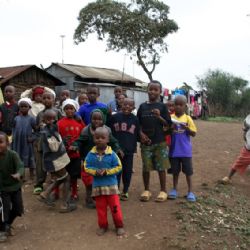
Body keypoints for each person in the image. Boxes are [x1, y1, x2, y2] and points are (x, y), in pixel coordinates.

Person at [74, 109, 122, 208]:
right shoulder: (86, 130)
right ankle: (89, 199)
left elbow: (113, 141)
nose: (97, 121)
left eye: (100, 119)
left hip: (103, 159)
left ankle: (102, 198)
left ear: (103, 120)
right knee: (88, 179)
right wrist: (75, 146)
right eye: (94, 119)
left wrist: (118, 149)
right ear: (90, 119)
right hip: (89, 158)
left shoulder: (107, 130)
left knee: (100, 179)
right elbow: (80, 141)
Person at [84, 127, 125, 236]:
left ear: (108, 139)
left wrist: (107, 172)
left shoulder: (112, 154)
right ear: (94, 139)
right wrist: (94, 172)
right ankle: (103, 226)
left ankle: (119, 225)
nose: (100, 140)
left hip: (111, 186)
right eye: (97, 137)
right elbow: (86, 167)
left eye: (103, 137)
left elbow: (119, 167)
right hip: (98, 187)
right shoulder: (90, 154)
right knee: (100, 208)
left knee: (115, 207)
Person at [137, 80, 172, 202]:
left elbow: (168, 124)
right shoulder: (142, 107)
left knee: (161, 167)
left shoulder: (162, 106)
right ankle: (146, 190)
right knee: (146, 167)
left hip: (160, 142)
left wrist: (159, 117)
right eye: (150, 89)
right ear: (147, 90)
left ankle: (163, 191)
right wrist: (141, 134)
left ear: (160, 92)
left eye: (155, 90)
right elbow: (138, 124)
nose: (152, 91)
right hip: (146, 143)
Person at [38, 109, 76, 213]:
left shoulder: (51, 129)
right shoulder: (47, 132)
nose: (52, 121)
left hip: (55, 160)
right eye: (49, 119)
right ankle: (64, 204)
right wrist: (61, 140)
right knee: (66, 178)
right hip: (54, 161)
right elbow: (54, 147)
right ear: (44, 120)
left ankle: (45, 194)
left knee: (62, 178)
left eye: (54, 118)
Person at [109, 98, 140, 200]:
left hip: (129, 150)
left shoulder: (135, 119)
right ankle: (116, 189)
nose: (127, 106)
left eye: (130, 105)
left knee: (127, 171)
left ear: (133, 108)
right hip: (116, 150)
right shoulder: (114, 117)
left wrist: (138, 144)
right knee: (116, 171)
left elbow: (137, 134)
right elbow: (109, 133)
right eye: (125, 104)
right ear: (121, 104)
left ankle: (125, 191)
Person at [168, 95, 197, 202]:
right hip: (173, 151)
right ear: (173, 105)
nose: (178, 107)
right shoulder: (171, 118)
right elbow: (166, 131)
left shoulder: (188, 118)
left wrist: (187, 128)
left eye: (181, 105)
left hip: (185, 151)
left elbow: (193, 133)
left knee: (188, 172)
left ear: (185, 106)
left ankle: (190, 192)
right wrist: (171, 128)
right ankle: (174, 190)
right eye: (176, 104)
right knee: (175, 172)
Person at [33, 92, 62, 195]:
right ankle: (39, 184)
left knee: (55, 163)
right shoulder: (40, 114)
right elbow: (37, 129)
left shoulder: (58, 112)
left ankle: (56, 182)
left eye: (48, 98)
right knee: (40, 164)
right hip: (42, 143)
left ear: (53, 99)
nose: (46, 100)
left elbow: (61, 125)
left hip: (54, 143)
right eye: (44, 98)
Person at [57, 99, 85, 200]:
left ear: (75, 109)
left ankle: (74, 192)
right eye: (67, 109)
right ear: (64, 110)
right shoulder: (59, 123)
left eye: (71, 108)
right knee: (62, 174)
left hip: (75, 154)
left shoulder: (79, 122)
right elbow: (57, 138)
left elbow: (83, 135)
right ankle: (58, 192)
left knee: (74, 175)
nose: (69, 111)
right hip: (63, 154)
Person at [0, 132, 24, 242]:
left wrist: (18, 174)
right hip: (3, 189)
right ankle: (3, 229)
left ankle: (8, 224)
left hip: (15, 186)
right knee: (4, 210)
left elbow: (20, 166)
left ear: (7, 143)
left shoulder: (13, 154)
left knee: (18, 209)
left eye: (1, 142)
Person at [12, 98, 36, 183]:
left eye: (25, 106)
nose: (23, 108)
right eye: (21, 106)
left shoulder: (32, 119)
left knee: (30, 157)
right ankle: (22, 175)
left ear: (29, 107)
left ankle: (32, 175)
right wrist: (13, 139)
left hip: (27, 142)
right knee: (19, 158)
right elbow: (13, 129)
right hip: (18, 142)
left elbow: (37, 130)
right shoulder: (16, 118)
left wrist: (33, 138)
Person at [221, 114, 250, 184]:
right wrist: (245, 131)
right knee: (238, 162)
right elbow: (245, 128)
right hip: (248, 149)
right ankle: (229, 177)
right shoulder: (248, 118)